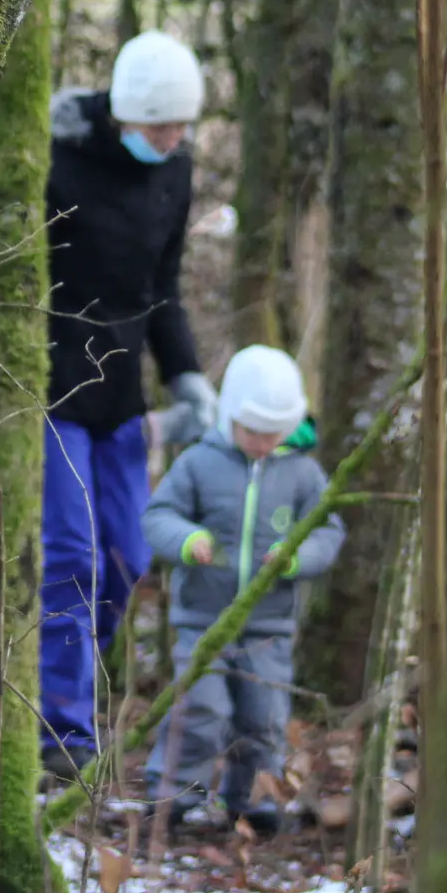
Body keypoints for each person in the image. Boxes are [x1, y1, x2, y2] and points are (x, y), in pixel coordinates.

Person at [39, 30, 219, 777]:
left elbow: (163, 288)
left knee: (128, 555)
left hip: (123, 396)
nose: (169, 139)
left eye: (179, 128)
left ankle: (80, 666)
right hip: (51, 383)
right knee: (72, 554)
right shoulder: (57, 160)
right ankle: (62, 731)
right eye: (157, 127)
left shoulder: (175, 174)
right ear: (124, 115)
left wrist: (188, 378)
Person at [140, 345, 345, 835]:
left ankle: (253, 802)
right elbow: (157, 516)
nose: (261, 443)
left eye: (273, 434)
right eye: (252, 431)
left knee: (264, 717)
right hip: (202, 619)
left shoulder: (302, 473)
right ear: (229, 415)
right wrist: (189, 540)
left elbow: (327, 531)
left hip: (269, 626)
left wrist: (296, 559)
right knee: (201, 706)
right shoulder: (198, 463)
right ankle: (172, 797)